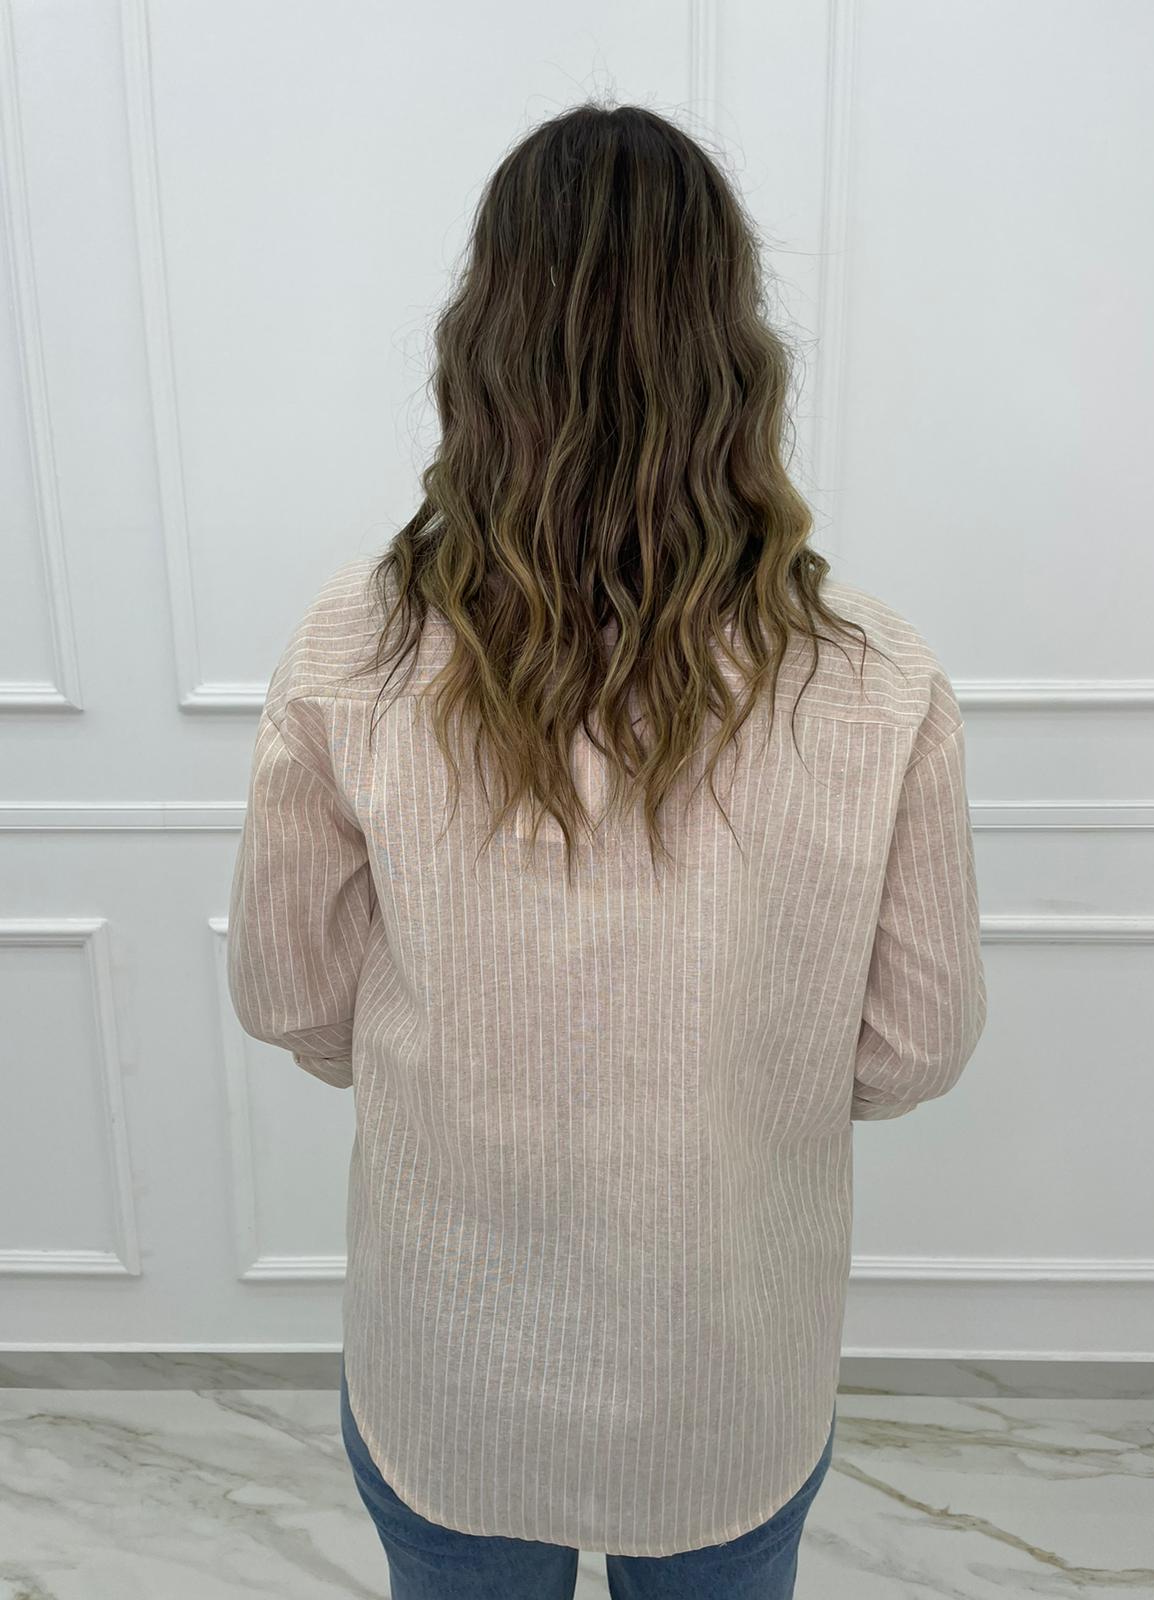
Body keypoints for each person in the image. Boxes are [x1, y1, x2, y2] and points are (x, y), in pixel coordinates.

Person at [227, 100, 987, 1599]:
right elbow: (915, 1044)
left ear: (481, 343)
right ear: (736, 356)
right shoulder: (876, 674)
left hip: (448, 1361)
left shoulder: (352, 645)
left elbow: (289, 995)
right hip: (727, 1371)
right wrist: (741, 1080)